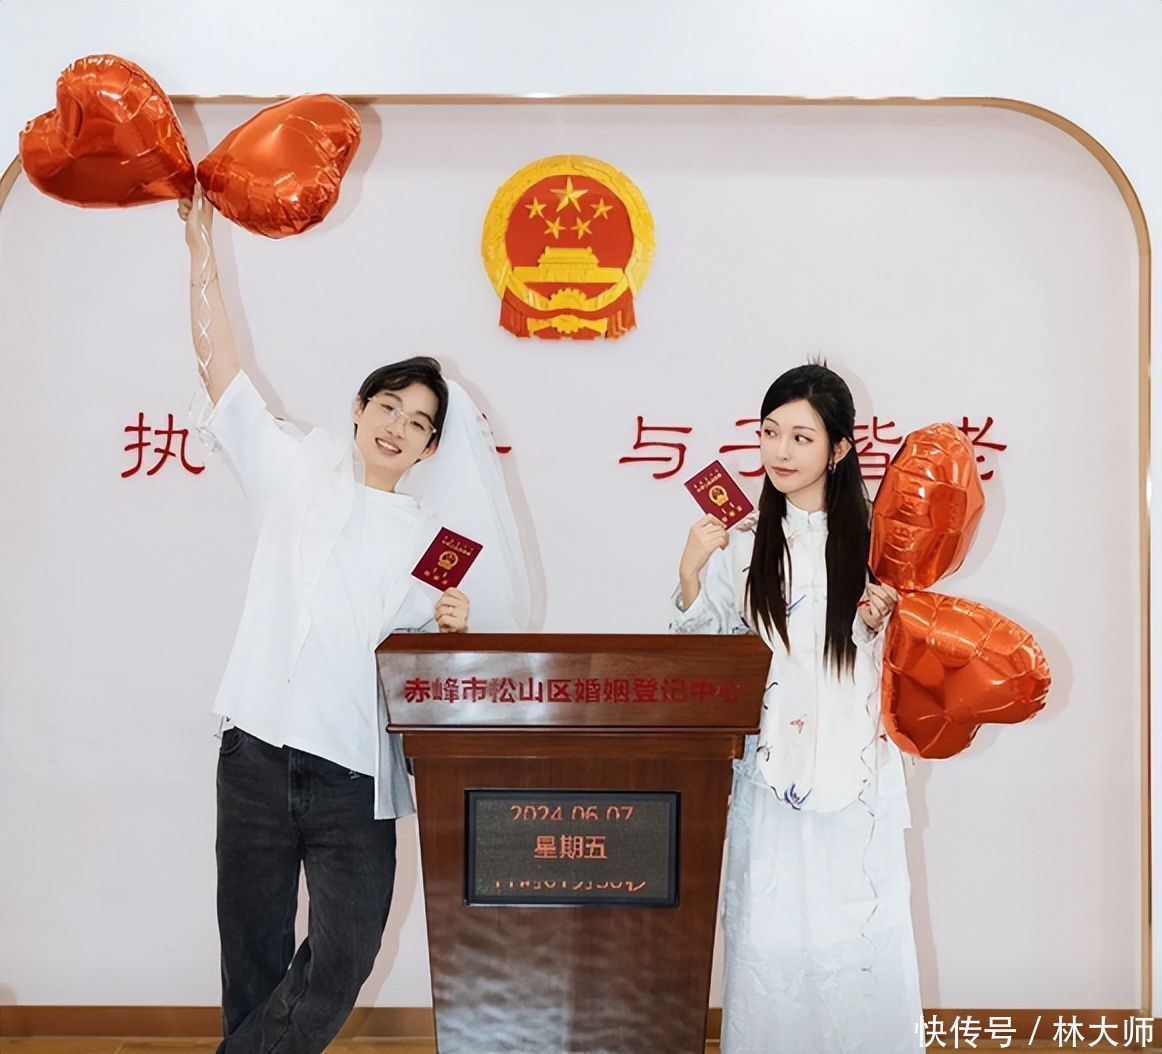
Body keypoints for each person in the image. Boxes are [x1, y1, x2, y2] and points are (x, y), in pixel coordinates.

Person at [179, 188, 528, 1053]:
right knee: (251, 957)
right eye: (389, 407)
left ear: (433, 448)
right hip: (257, 749)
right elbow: (221, 374)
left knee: (346, 949)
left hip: (353, 771)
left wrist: (453, 625)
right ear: (360, 408)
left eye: (419, 423)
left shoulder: (440, 542)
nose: (398, 427)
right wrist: (200, 252)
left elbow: (434, 667)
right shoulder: (294, 469)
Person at [672, 363, 923, 1053]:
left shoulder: (877, 544)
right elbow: (706, 657)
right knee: (770, 930)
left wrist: (881, 622)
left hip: (856, 771)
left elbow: (905, 666)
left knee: (858, 929)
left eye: (801, 437)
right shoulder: (740, 540)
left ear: (839, 448)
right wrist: (691, 572)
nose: (780, 451)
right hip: (770, 769)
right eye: (770, 432)